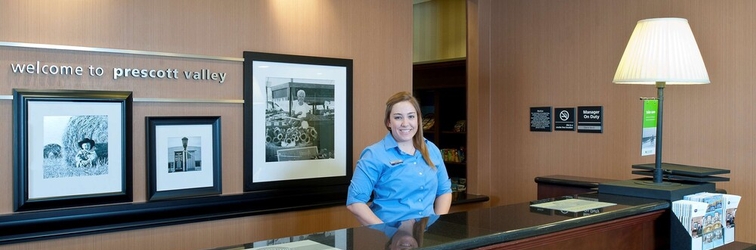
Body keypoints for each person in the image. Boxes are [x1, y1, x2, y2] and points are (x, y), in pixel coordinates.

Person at [346, 91, 452, 225]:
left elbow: (444, 191)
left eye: (411, 116)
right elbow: (355, 203)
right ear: (388, 122)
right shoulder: (374, 155)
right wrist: (385, 231)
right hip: (389, 239)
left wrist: (436, 224)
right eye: (398, 117)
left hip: (426, 237)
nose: (405, 123)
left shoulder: (431, 150)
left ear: (418, 120)